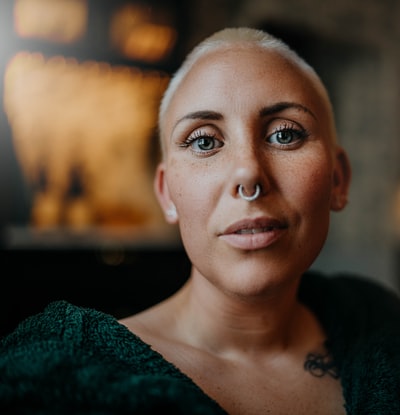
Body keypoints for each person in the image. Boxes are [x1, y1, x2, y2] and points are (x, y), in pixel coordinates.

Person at [1, 27, 399, 415]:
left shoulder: (381, 324)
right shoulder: (58, 375)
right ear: (167, 194)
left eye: (284, 135)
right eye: (204, 141)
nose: (248, 174)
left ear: (337, 180)